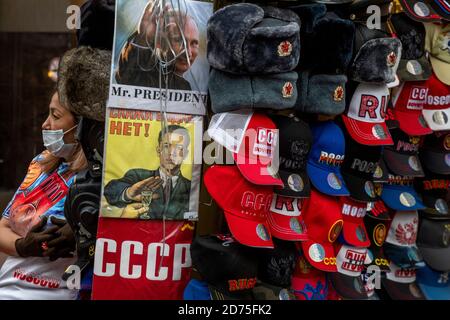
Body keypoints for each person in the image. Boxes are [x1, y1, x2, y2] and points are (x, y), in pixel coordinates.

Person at [0, 91, 88, 300]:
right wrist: (22, 247)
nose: (45, 125)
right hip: (8, 288)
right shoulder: (41, 164)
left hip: (58, 293)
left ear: (84, 124)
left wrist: (82, 238)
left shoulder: (98, 180)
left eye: (55, 116)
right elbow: (2, 228)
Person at [104, 124, 192, 220]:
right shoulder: (138, 175)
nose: (171, 153)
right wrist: (128, 193)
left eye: (179, 147)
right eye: (166, 146)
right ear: (158, 150)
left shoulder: (192, 187)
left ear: (185, 154)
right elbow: (110, 190)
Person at [115, 0, 199, 90]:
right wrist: (142, 38)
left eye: (194, 43)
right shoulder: (142, 75)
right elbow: (126, 76)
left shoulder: (185, 87)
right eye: (179, 40)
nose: (188, 53)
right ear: (159, 42)